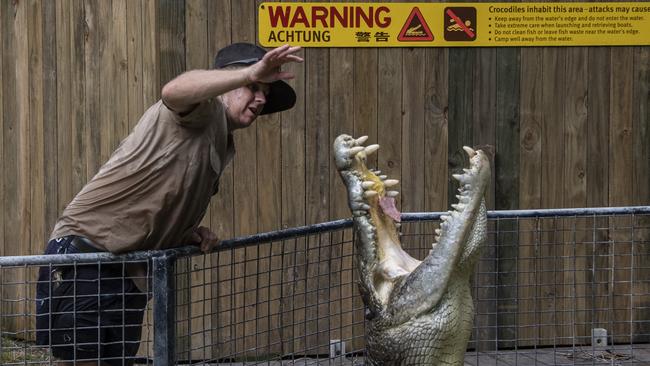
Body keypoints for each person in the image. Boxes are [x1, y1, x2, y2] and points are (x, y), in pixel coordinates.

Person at [35, 43, 303, 366]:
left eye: (266, 93)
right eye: (253, 88)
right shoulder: (205, 109)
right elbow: (173, 90)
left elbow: (159, 202)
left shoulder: (222, 138)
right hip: (88, 254)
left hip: (128, 270)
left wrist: (186, 231)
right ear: (225, 82)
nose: (261, 98)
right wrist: (249, 72)